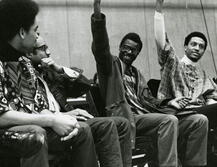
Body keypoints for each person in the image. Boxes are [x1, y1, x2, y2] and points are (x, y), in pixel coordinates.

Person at [91, 0, 209, 167]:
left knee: (199, 120)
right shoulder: (109, 67)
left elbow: (149, 100)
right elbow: (100, 46)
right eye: (126, 47)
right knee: (169, 120)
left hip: (147, 116)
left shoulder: (136, 74)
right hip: (126, 118)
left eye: (134, 50)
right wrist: (97, 13)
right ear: (120, 47)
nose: (129, 52)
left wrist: (169, 102)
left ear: (138, 53)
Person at [0, 0, 99, 167]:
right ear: (22, 32)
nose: (37, 36)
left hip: (25, 127)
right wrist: (51, 121)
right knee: (35, 135)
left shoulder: (24, 63)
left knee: (80, 130)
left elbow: (39, 106)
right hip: (9, 131)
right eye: (35, 31)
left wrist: (61, 119)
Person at [30, 35, 132, 167]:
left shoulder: (50, 74)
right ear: (29, 54)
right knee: (105, 125)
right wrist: (63, 115)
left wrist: (59, 69)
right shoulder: (26, 76)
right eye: (43, 48)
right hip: (52, 124)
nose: (48, 52)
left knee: (122, 123)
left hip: (69, 119)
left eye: (47, 47)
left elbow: (85, 85)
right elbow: (32, 109)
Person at [154, 0, 217, 130]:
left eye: (201, 46)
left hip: (201, 112)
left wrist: (212, 104)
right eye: (193, 44)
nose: (197, 48)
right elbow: (161, 43)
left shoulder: (203, 75)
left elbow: (211, 96)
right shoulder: (173, 63)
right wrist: (159, 10)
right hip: (179, 113)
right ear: (185, 47)